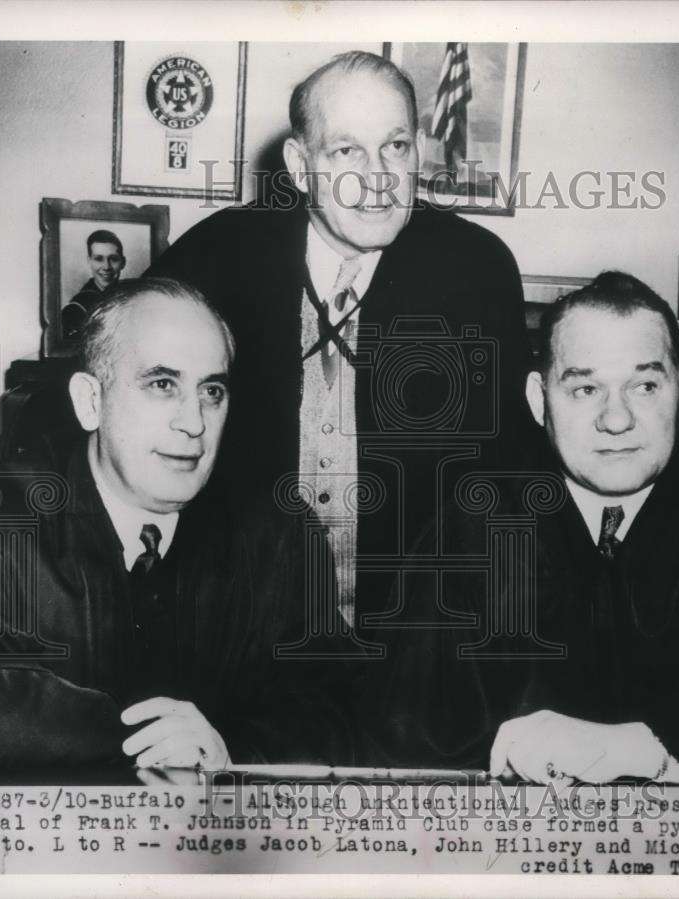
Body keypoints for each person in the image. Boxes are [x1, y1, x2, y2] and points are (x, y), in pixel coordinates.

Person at [374, 271, 679, 787]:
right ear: (538, 397)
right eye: (585, 387)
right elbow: (410, 739)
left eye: (644, 386)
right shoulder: (469, 534)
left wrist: (653, 748)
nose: (616, 420)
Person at [145, 50, 533, 626]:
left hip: (416, 636)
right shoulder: (216, 257)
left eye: (395, 147)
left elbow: (513, 472)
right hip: (238, 630)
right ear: (301, 166)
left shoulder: (477, 269)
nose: (377, 179)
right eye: (347, 150)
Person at [0, 278, 344, 780]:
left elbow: (338, 704)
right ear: (90, 401)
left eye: (212, 391)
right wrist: (148, 739)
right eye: (163, 384)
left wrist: (226, 750)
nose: (194, 422)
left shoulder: (277, 534)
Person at [62, 230, 126, 341]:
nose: (106, 266)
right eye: (98, 259)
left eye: (113, 259)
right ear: (89, 261)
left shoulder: (130, 297)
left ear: (123, 262)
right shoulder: (76, 310)